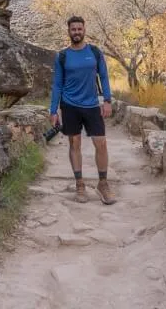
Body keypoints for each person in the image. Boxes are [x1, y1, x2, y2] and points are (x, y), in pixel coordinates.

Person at [49, 15, 116, 205]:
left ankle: (103, 183)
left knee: (101, 143)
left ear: (84, 30)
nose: (76, 32)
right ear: (68, 31)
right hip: (69, 105)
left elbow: (103, 77)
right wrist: (53, 110)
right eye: (73, 29)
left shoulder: (94, 52)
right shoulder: (62, 56)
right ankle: (80, 184)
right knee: (74, 144)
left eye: (79, 29)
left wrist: (107, 101)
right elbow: (57, 85)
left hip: (92, 105)